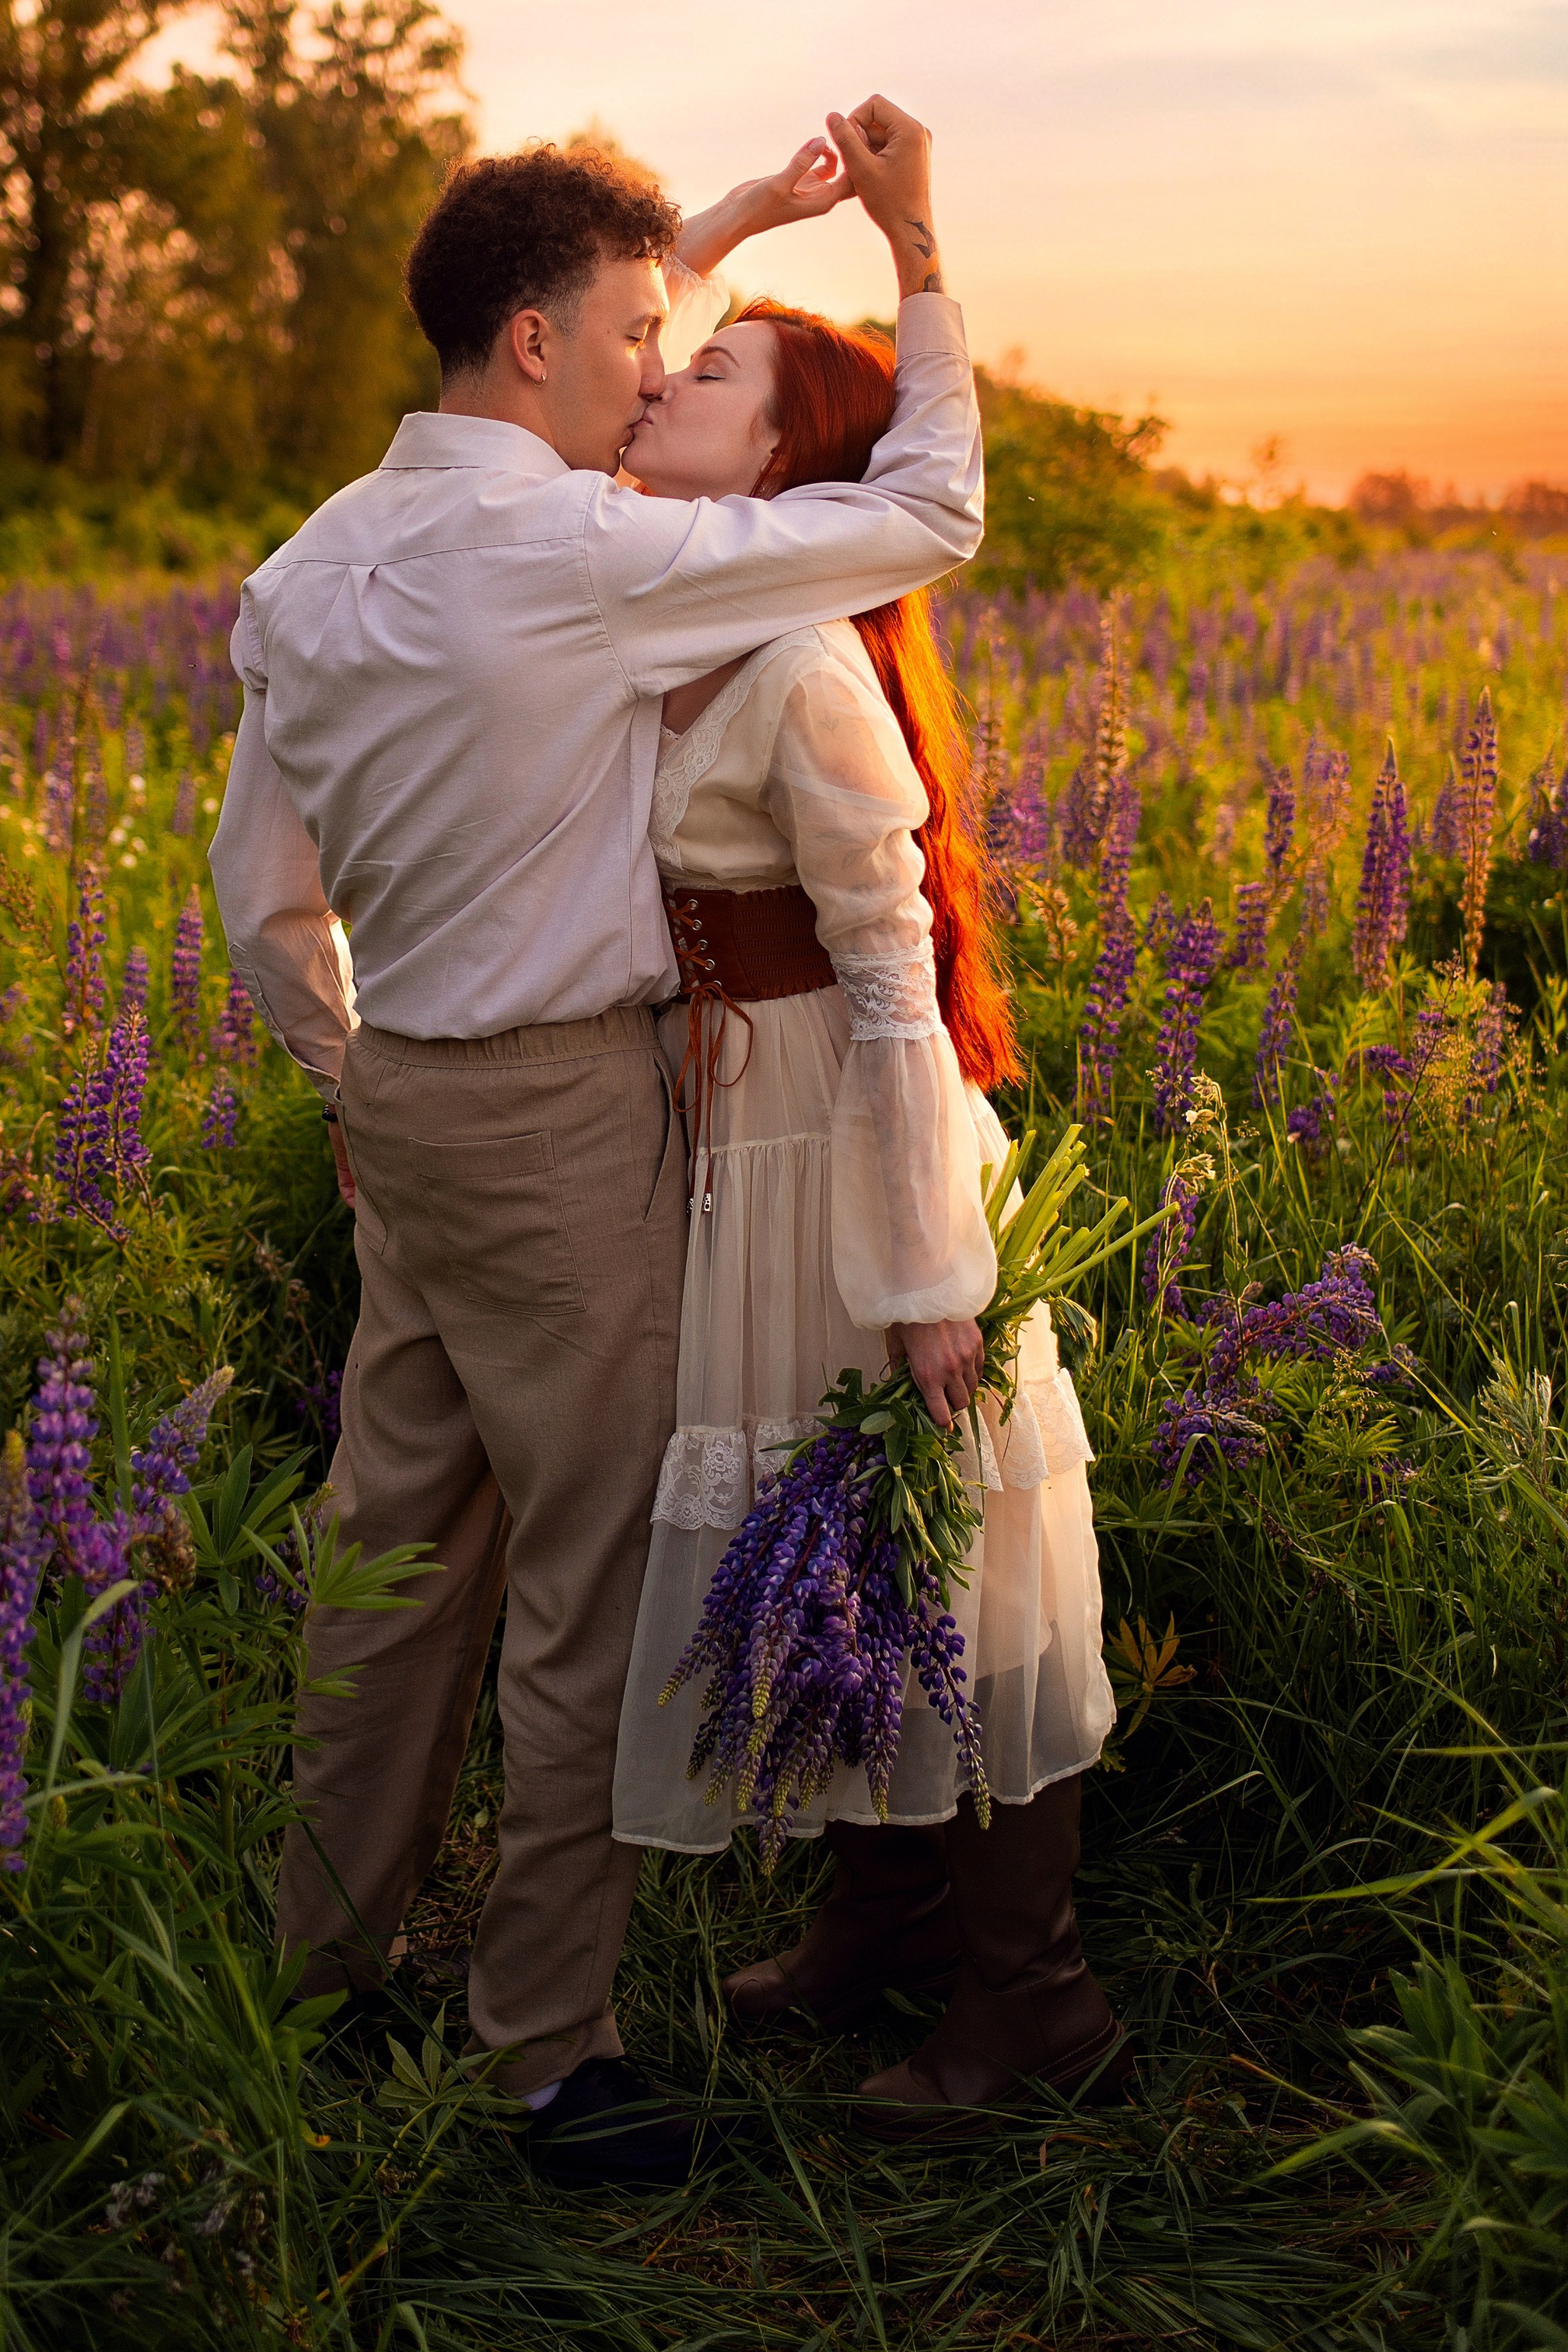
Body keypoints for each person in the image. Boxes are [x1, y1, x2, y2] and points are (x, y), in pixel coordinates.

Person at [208, 98, 982, 2187]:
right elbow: (922, 516)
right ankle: (545, 2049)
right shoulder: (567, 555)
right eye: (642, 332)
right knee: (574, 1589)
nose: (665, 366)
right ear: (538, 343)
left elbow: (259, 901)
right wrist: (911, 251)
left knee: (385, 1561)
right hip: (560, 1115)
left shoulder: (314, 561)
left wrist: (354, 1080)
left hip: (407, 1110)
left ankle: (320, 1964)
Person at [611, 303, 1124, 2136]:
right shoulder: (674, 619)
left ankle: (1031, 1999)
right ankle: (883, 1912)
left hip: (856, 1134)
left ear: (777, 466)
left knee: (943, 1536)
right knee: (828, 1526)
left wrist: (926, 1272)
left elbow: (894, 973)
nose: (661, 376)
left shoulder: (805, 661)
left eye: (713, 372)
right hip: (751, 1144)